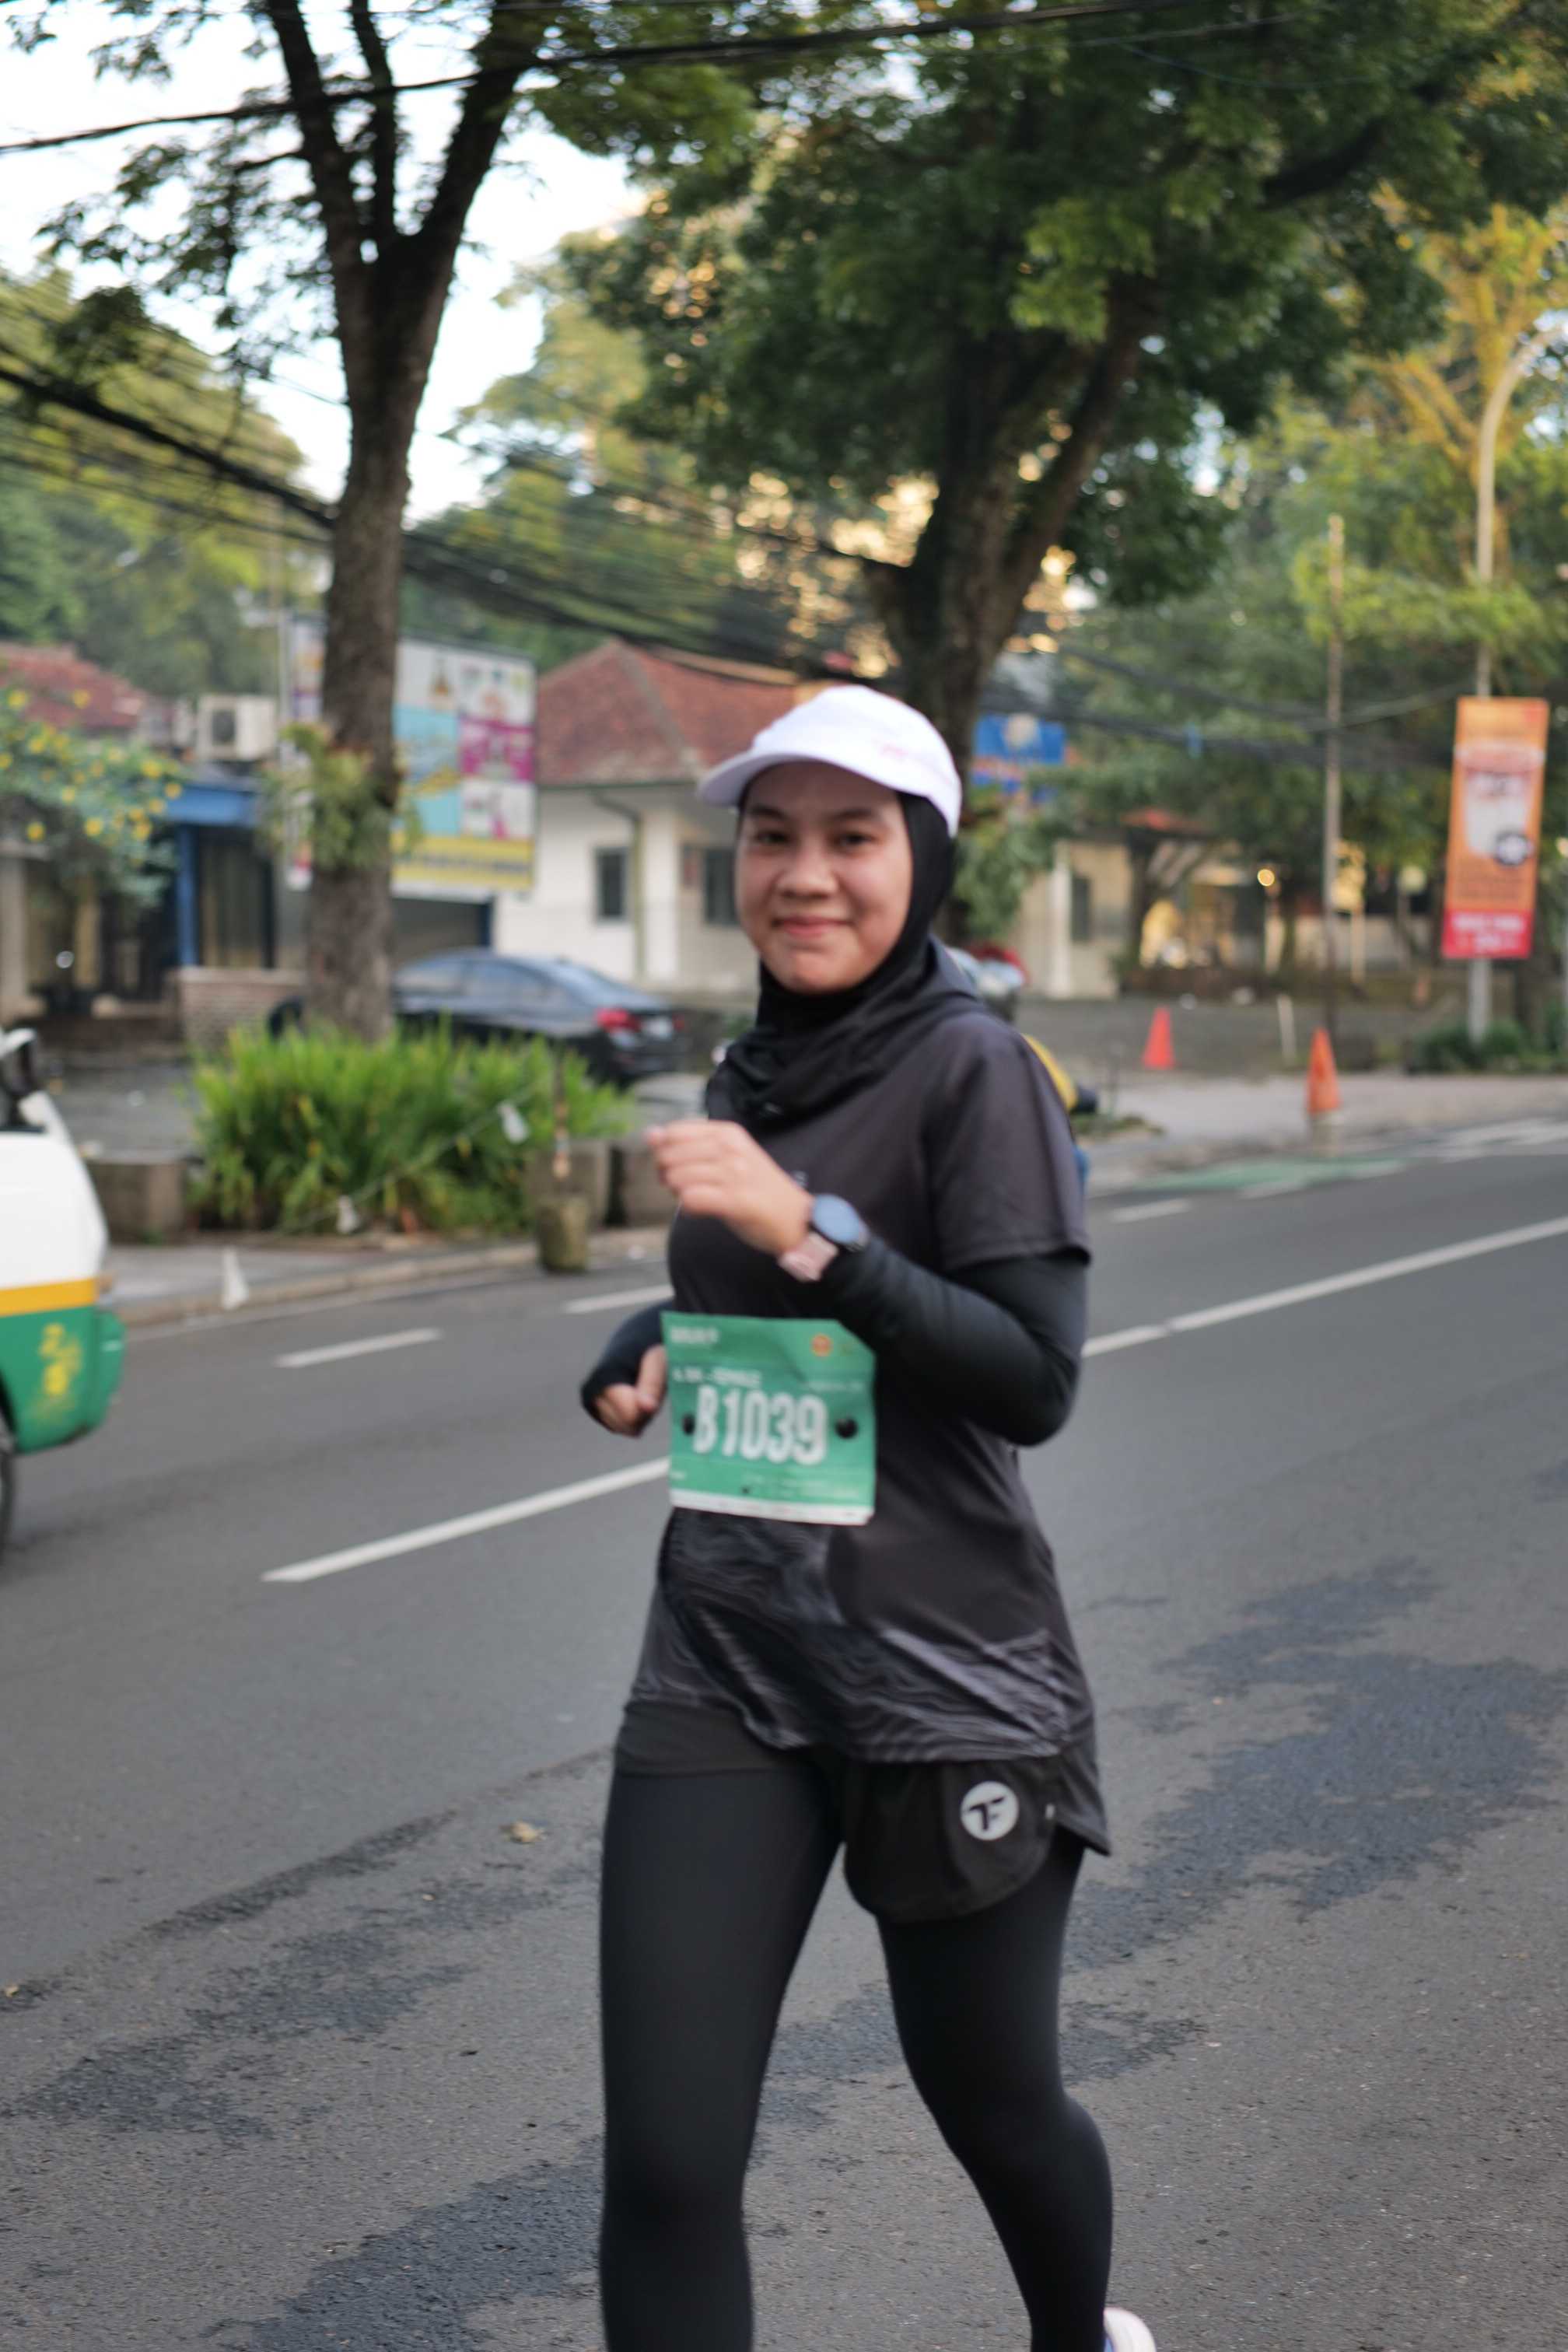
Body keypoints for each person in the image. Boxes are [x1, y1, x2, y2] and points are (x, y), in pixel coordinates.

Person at [580, 684, 1155, 2352]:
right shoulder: (757, 1067)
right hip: (726, 1664)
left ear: (924, 865)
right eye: (774, 837)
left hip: (944, 1675)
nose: (807, 874)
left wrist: (809, 1232)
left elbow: (1029, 1376)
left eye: (853, 838)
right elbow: (781, 1299)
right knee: (669, 2163)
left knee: (998, 2107)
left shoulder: (978, 1069)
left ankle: (1080, 2341)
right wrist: (659, 1336)